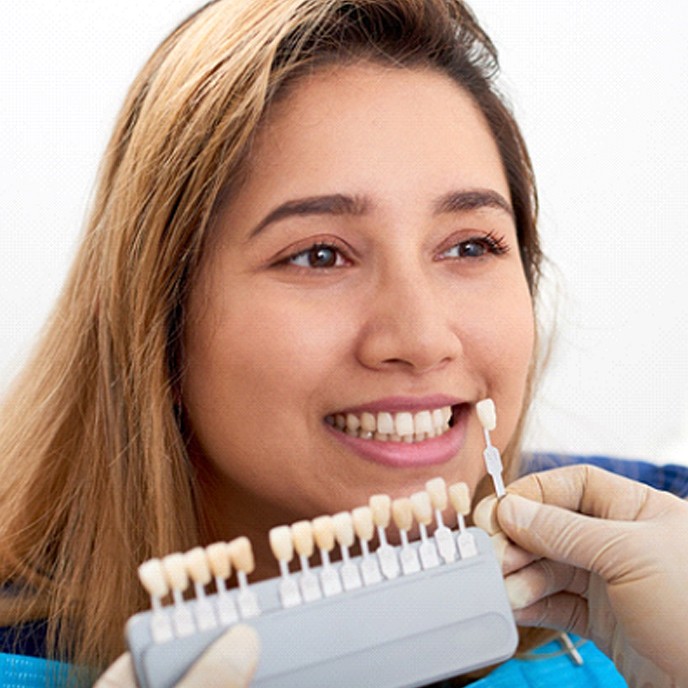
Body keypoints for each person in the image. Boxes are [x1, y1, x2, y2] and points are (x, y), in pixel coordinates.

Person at [0, 1, 684, 686]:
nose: (420, 339)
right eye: (320, 256)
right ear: (159, 313)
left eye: (470, 245)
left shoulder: (657, 573)